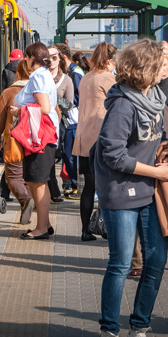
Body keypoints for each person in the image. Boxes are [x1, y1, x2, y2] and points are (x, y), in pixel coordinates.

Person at [95, 39, 168, 337]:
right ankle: (108, 333)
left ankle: (138, 330)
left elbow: (159, 137)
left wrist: (166, 158)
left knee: (156, 260)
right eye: (161, 64)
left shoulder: (155, 97)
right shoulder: (123, 104)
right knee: (121, 263)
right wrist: (155, 173)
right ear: (146, 69)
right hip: (121, 192)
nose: (167, 69)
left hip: (147, 191)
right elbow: (112, 154)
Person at [72, 42, 117, 241]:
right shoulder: (109, 78)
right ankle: (105, 227)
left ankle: (84, 229)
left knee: (88, 187)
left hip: (83, 137)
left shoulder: (85, 78)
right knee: (106, 186)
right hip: (101, 137)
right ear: (109, 60)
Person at [14, 41, 59, 239]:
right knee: (35, 181)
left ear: (32, 58)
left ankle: (40, 228)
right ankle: (45, 223)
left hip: (40, 137)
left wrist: (19, 111)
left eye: (26, 57)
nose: (24, 60)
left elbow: (45, 108)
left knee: (39, 182)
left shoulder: (39, 76)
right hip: (38, 136)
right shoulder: (42, 75)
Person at [0, 57, 33, 225]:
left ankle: (26, 200)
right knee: (31, 178)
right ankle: (29, 210)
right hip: (36, 143)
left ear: (17, 74)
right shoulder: (38, 91)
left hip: (15, 142)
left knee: (13, 178)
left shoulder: (9, 92)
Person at [56, 42, 83, 198]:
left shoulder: (75, 73)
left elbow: (78, 97)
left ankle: (75, 185)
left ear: (63, 57)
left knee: (71, 154)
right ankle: (73, 184)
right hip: (71, 119)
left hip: (74, 119)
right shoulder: (71, 72)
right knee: (68, 154)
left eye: (55, 58)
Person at [48, 44, 74, 202]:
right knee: (47, 158)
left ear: (59, 59)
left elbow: (70, 104)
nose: (51, 61)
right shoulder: (39, 76)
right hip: (44, 123)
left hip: (60, 124)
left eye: (54, 57)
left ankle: (66, 183)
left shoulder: (67, 80)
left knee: (63, 154)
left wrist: (51, 101)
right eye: (48, 57)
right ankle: (53, 190)